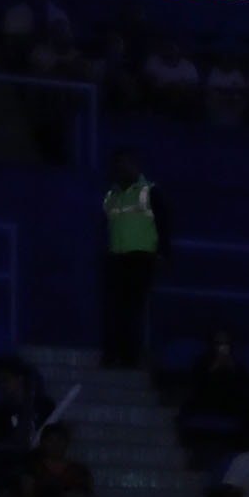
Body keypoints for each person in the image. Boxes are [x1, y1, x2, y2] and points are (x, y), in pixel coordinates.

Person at [100, 153, 161, 371]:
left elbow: (164, 226)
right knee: (115, 310)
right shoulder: (112, 195)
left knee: (133, 311)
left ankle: (129, 357)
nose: (121, 168)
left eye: (126, 163)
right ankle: (112, 354)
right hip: (117, 259)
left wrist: (159, 257)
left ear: (136, 165)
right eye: (118, 163)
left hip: (140, 260)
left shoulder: (150, 192)